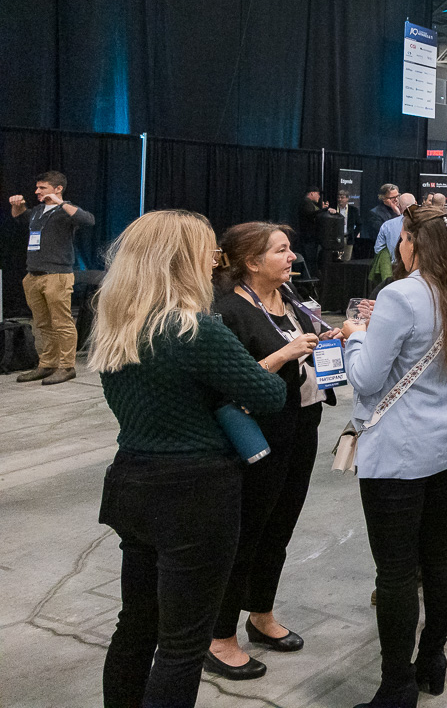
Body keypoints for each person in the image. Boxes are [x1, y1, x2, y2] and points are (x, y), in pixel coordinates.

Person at [92, 210, 287, 708]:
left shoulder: (117, 326)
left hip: (131, 481)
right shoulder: (196, 331)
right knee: (182, 645)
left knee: (135, 626)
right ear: (183, 261)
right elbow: (269, 395)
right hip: (195, 494)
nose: (214, 262)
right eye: (208, 252)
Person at [341, 203, 447, 708]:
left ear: (412, 242)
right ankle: (432, 660)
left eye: (402, 239)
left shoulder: (400, 295)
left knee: (397, 570)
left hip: (401, 453)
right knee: (440, 549)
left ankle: (396, 687)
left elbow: (365, 379)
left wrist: (357, 337)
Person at [205, 222, 336, 680]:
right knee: (247, 532)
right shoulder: (228, 311)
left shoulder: (290, 298)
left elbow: (305, 350)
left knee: (280, 526)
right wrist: (285, 354)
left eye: (289, 249)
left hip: (302, 423)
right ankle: (220, 636)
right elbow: (228, 382)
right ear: (252, 262)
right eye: (281, 250)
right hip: (259, 434)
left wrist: (330, 341)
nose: (291, 257)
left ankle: (261, 613)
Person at [9, 170, 95, 384]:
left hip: (57, 275)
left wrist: (60, 202)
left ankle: (66, 367)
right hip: (33, 275)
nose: (37, 191)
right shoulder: (38, 211)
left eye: (42, 188)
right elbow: (20, 217)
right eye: (37, 187)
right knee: (42, 323)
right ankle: (47, 364)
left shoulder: (66, 210)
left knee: (62, 322)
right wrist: (17, 205)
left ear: (58, 189)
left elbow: (88, 220)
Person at [371, 193, 417, 286]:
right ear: (415, 203)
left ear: (399, 206)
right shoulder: (426, 224)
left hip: (394, 271)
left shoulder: (387, 225)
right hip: (418, 273)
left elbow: (378, 249)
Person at [296, 187, 329, 276]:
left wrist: (322, 209)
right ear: (312, 193)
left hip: (312, 238)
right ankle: (308, 279)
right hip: (308, 238)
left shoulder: (311, 204)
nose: (319, 196)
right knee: (309, 261)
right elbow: (310, 215)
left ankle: (310, 278)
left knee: (311, 261)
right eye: (318, 194)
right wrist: (325, 210)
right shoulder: (306, 202)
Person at [335, 190, 360, 262]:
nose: (340, 199)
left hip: (348, 238)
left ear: (347, 199)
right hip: (336, 239)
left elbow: (359, 224)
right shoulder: (334, 209)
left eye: (342, 197)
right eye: (338, 197)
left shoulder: (353, 210)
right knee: (336, 260)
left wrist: (353, 235)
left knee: (347, 260)